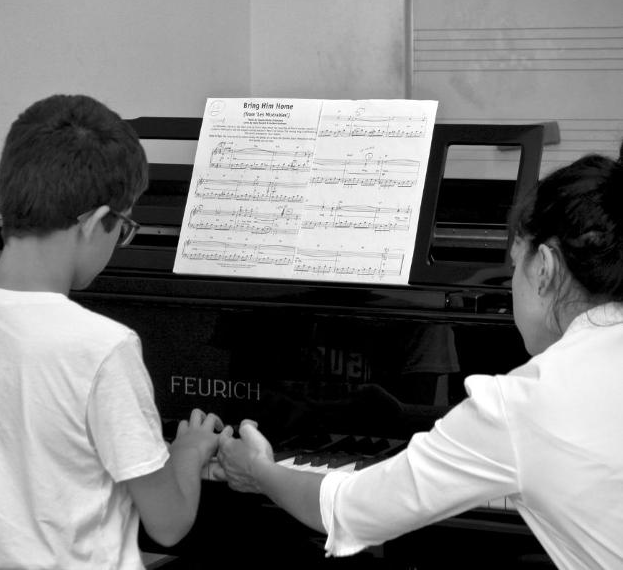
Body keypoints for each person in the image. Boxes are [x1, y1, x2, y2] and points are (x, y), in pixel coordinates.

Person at [217, 142, 623, 570]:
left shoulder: (526, 404)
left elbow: (348, 510)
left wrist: (260, 470)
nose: (511, 288)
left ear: (545, 266)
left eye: (512, 266)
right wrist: (400, 415)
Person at [0, 94, 224, 569]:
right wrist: (189, 451)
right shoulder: (103, 348)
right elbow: (169, 523)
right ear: (93, 223)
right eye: (124, 228)